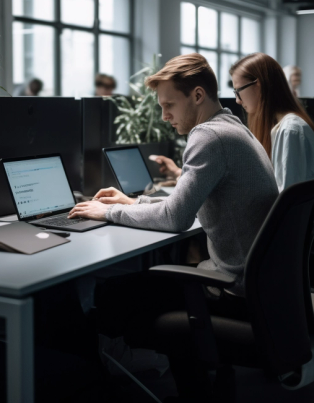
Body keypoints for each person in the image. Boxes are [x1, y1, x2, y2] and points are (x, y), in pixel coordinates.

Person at [68, 53, 279, 398]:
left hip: (231, 287)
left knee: (113, 294)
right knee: (147, 283)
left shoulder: (208, 137)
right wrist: (132, 202)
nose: (165, 116)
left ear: (197, 96)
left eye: (169, 105)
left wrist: (107, 213)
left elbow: (175, 219)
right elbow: (184, 204)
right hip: (255, 283)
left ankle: (96, 381)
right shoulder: (233, 126)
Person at [231, 53, 314, 231]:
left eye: (238, 91)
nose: (237, 100)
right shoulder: (285, 126)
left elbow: (285, 204)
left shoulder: (290, 131)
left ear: (258, 85)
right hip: (300, 236)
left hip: (300, 240)